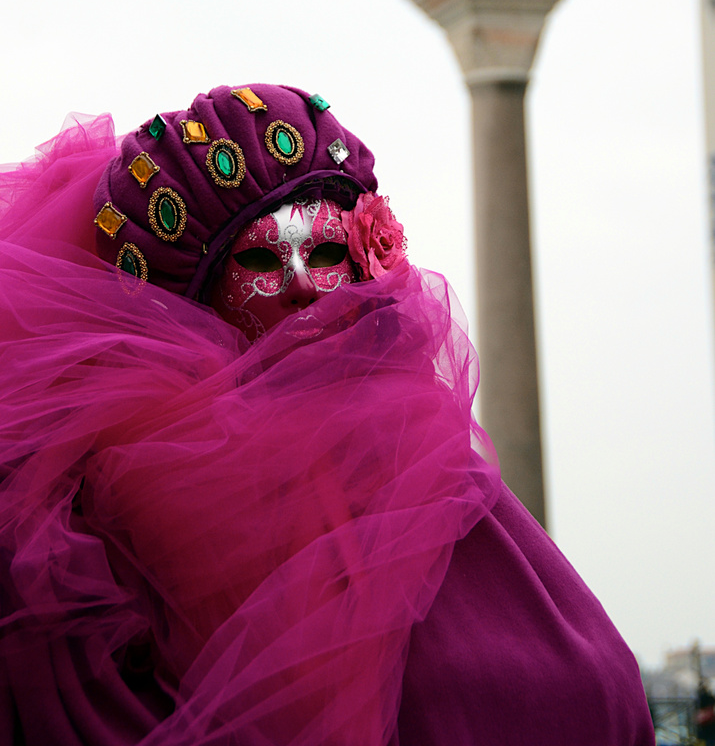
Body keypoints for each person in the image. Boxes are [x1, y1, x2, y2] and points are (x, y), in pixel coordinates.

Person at [0, 83, 654, 745]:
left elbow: (577, 686)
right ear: (194, 305)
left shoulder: (423, 455)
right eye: (259, 258)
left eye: (325, 253)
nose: (303, 284)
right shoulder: (115, 502)